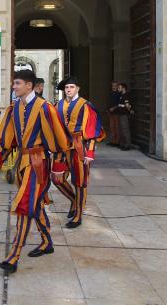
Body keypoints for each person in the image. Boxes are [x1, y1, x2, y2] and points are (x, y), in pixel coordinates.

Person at [0, 70, 69, 273]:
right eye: (13, 84)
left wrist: (59, 166)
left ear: (29, 86)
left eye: (17, 83)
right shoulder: (13, 108)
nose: (14, 87)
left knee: (25, 205)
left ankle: (13, 257)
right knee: (35, 205)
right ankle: (47, 242)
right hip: (21, 164)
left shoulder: (45, 108)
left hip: (39, 163)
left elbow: (60, 139)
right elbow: (9, 139)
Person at [52, 76, 105, 228]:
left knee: (80, 182)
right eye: (67, 88)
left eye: (71, 87)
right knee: (57, 178)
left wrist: (90, 152)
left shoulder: (85, 105)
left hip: (79, 147)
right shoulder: (58, 104)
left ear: (78, 88)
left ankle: (78, 214)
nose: (69, 90)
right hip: (62, 148)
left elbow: (93, 129)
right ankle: (74, 201)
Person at [116, 83, 133, 151]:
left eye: (119, 87)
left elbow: (127, 105)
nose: (118, 88)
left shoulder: (126, 95)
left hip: (124, 115)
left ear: (123, 88)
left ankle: (127, 145)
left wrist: (130, 110)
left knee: (125, 130)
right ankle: (123, 144)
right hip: (120, 114)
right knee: (121, 130)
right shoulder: (121, 95)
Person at [107, 81, 120, 147]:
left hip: (116, 112)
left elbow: (119, 103)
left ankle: (117, 142)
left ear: (117, 86)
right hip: (110, 112)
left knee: (117, 127)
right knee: (111, 127)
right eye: (112, 85)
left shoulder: (119, 94)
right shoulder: (111, 93)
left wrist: (114, 108)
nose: (113, 87)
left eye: (115, 85)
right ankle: (112, 141)